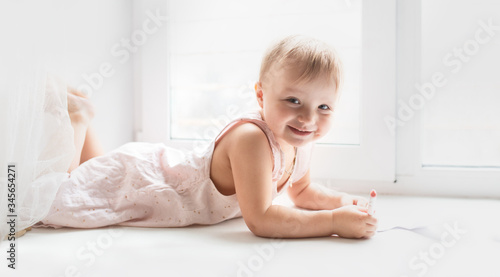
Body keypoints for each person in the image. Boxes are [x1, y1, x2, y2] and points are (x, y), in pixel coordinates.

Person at [34, 35, 378, 239]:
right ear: (261, 97)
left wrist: (344, 203)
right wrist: (333, 223)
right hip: (151, 178)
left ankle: (82, 115)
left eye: (324, 108)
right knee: (50, 200)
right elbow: (260, 218)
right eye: (293, 101)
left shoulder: (299, 138)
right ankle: (76, 118)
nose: (308, 118)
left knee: (96, 178)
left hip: (156, 175)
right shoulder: (252, 140)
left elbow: (302, 191)